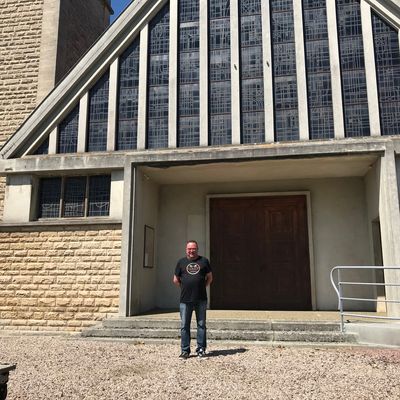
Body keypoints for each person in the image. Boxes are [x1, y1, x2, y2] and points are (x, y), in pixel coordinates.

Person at [173, 240, 213, 359]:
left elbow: (210, 278)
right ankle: (185, 351)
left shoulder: (204, 261)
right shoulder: (181, 262)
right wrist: (184, 287)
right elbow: (175, 279)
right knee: (185, 325)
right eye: (189, 249)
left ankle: (201, 349)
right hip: (185, 300)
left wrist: (202, 286)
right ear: (186, 249)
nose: (191, 251)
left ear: (197, 249)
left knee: (201, 325)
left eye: (193, 249)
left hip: (201, 299)